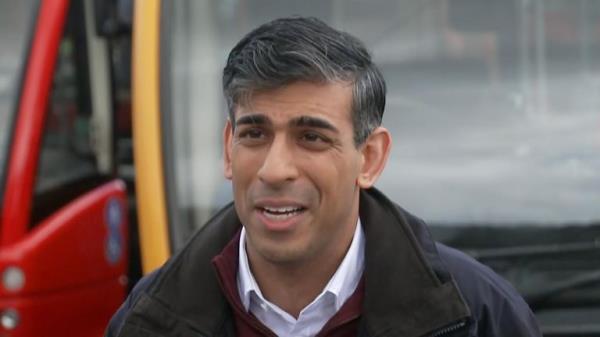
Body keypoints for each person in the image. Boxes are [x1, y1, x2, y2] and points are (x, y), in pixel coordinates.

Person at [106, 17, 541, 337]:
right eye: (254, 134)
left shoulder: (482, 316)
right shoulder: (146, 320)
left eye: (311, 137)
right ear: (227, 148)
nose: (275, 170)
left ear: (370, 158)